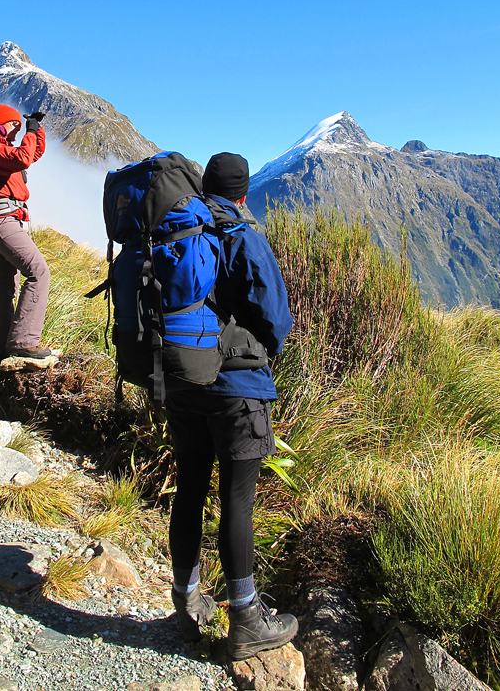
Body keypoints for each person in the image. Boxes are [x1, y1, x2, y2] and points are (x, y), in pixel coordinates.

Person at [164, 151, 299, 661]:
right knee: (237, 500)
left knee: (191, 488)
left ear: (204, 186)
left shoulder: (179, 232)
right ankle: (246, 619)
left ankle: (186, 602)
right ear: (244, 192)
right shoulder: (245, 234)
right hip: (238, 389)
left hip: (182, 385)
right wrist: (259, 351)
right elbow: (274, 316)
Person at [0, 104, 51, 366]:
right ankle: (24, 342)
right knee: (38, 272)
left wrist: (36, 130)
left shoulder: (0, 148)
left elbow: (32, 153)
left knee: (3, 285)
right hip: (1, 220)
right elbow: (23, 158)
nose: (16, 129)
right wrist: (29, 131)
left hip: (5, 220)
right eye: (12, 124)